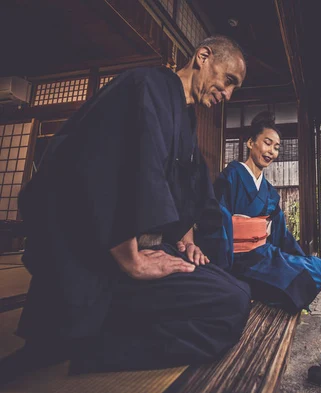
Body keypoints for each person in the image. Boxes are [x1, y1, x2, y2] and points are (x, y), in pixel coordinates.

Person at [3, 35, 251, 378]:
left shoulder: (185, 117)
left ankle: (89, 333)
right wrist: (132, 261)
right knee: (229, 305)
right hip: (99, 258)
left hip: (139, 248)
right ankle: (83, 338)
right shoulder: (144, 85)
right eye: (229, 81)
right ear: (203, 56)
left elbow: (188, 188)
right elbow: (109, 169)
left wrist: (187, 239)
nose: (228, 95)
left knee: (237, 292)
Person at [213, 112, 321, 313]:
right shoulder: (231, 175)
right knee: (295, 279)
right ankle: (245, 286)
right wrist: (223, 269)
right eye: (267, 143)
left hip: (263, 255)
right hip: (237, 260)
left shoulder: (269, 192)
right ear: (251, 143)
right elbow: (216, 220)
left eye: (276, 148)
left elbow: (281, 233)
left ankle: (263, 288)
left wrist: (297, 259)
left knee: (319, 267)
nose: (272, 152)